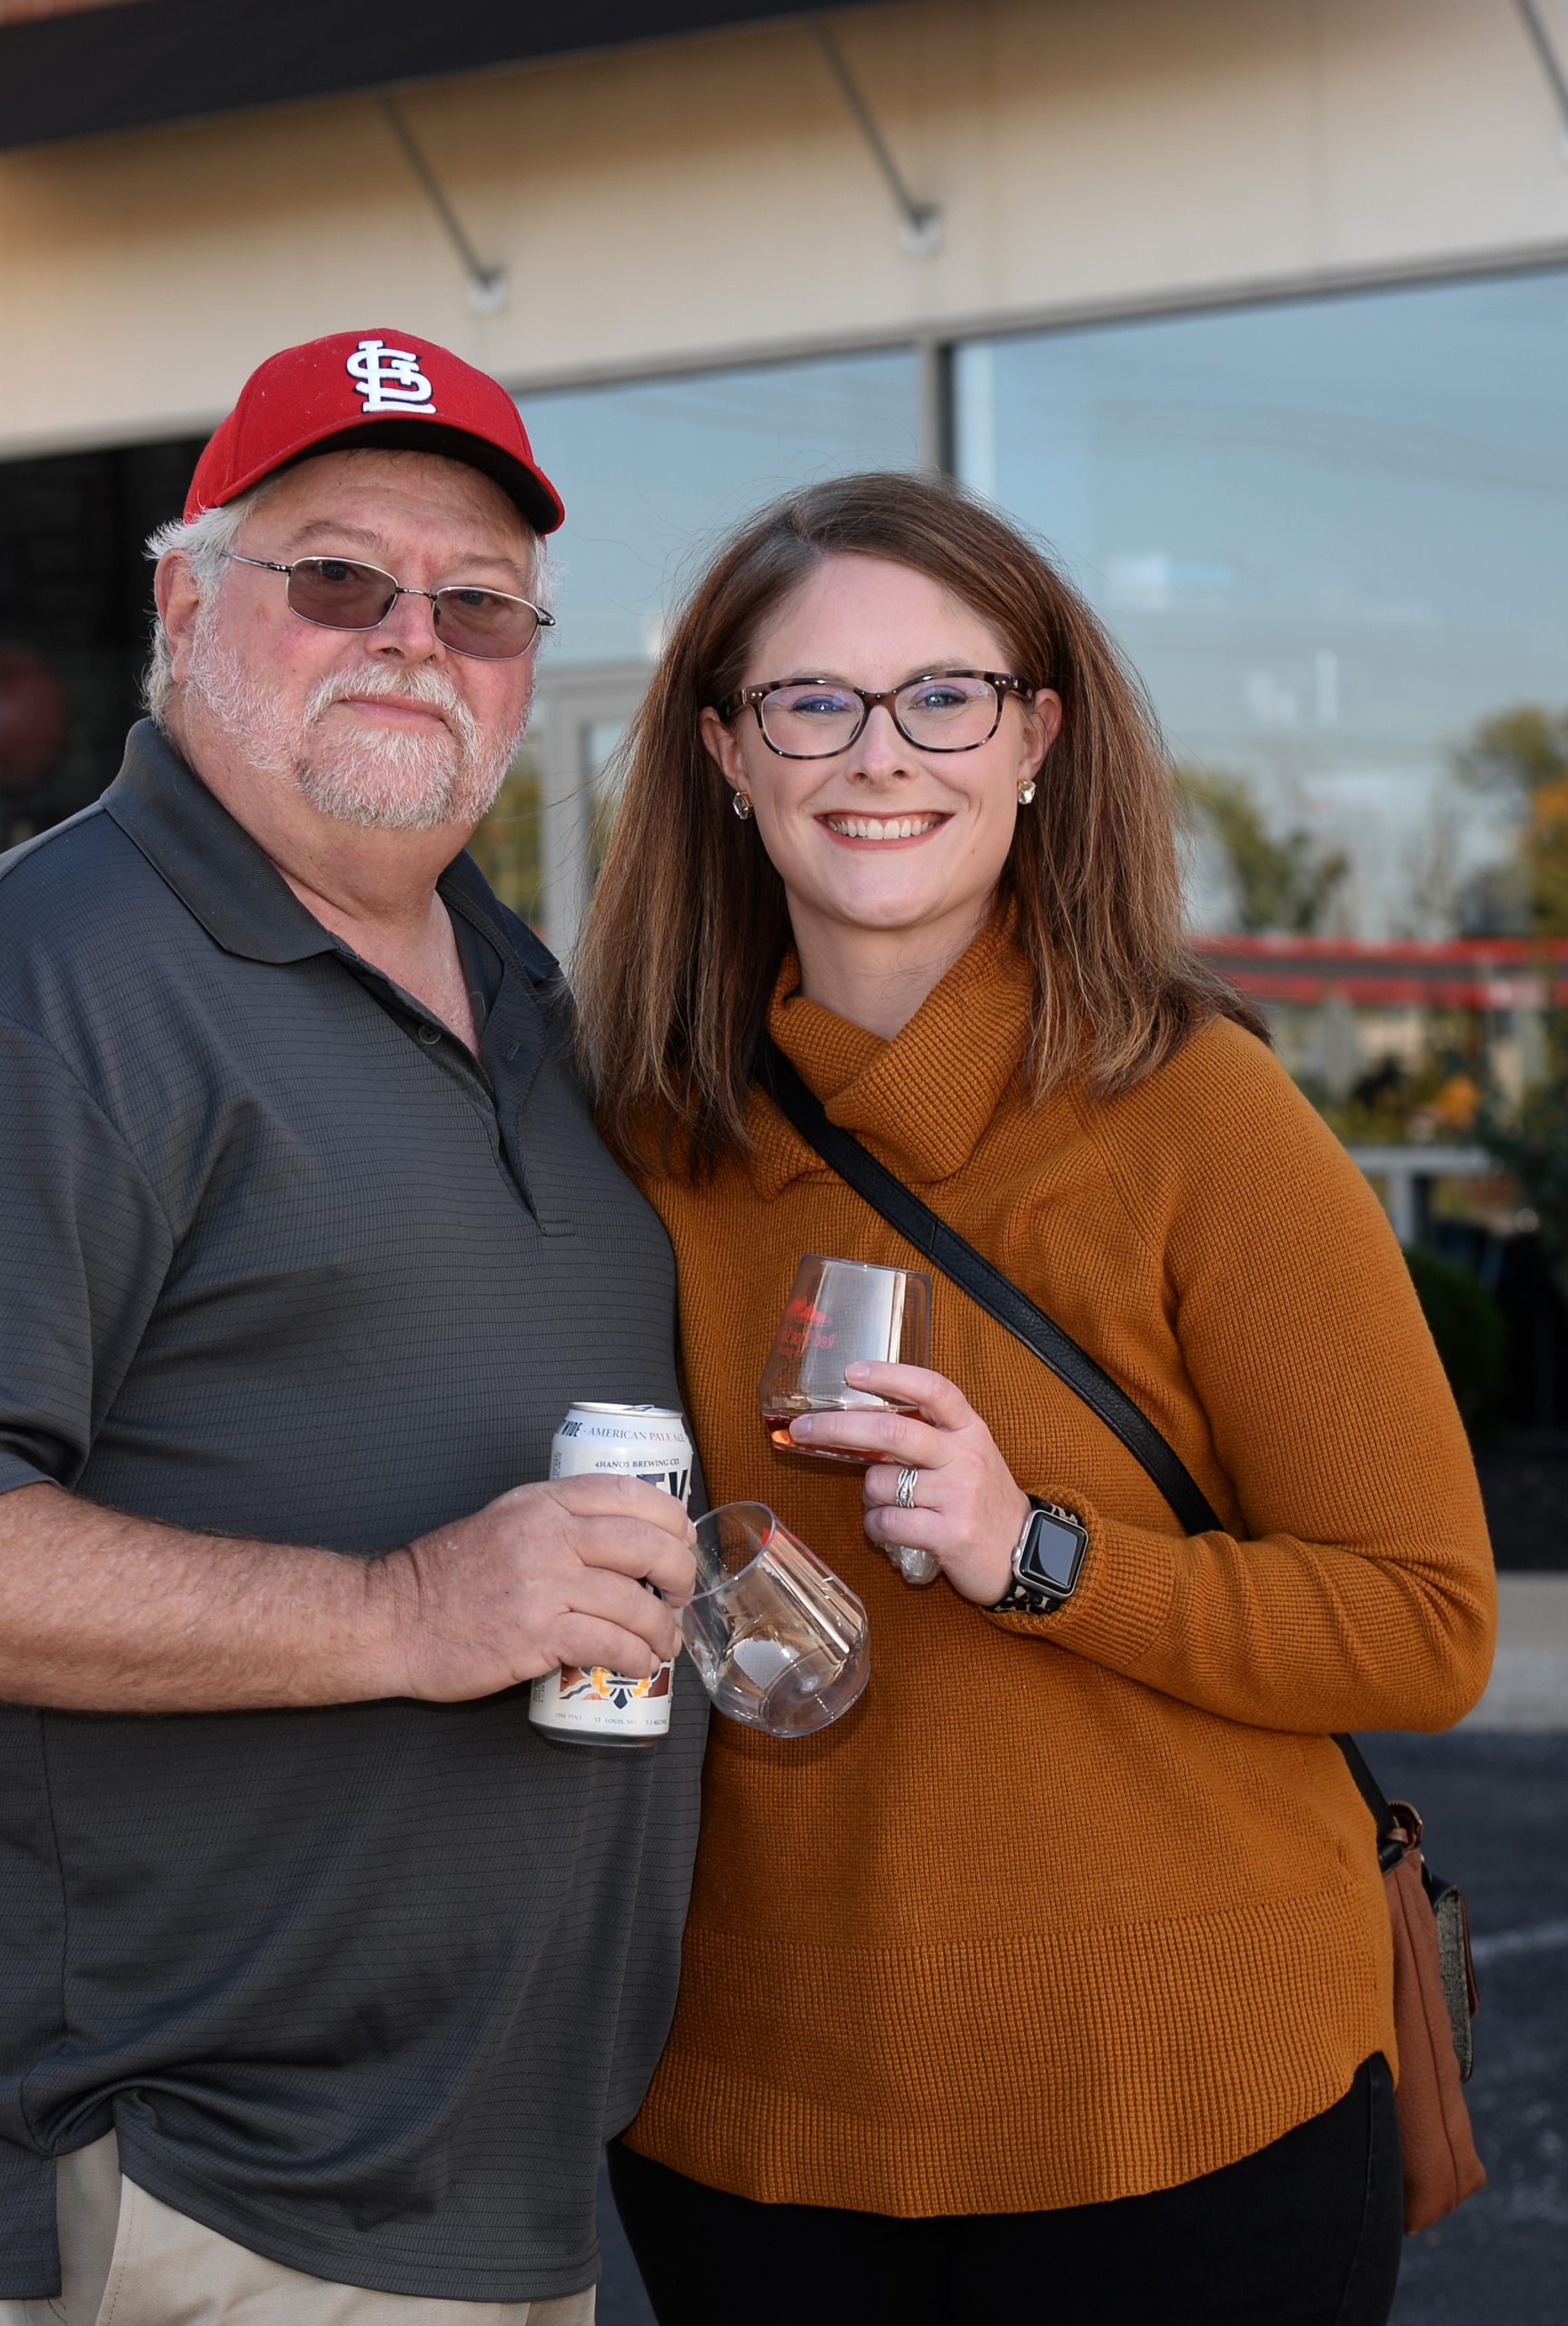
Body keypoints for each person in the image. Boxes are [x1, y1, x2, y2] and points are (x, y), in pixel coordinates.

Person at [0, 328, 706, 2326]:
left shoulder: (530, 995)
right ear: (184, 607)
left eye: (478, 603)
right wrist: (403, 1611)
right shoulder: (30, 985)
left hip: (495, 2184)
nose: (413, 638)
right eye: (339, 577)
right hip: (183, 2192)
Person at [571, 471, 1497, 2325]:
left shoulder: (1198, 1116)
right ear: (725, 756)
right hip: (749, 2127)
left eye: (946, 695)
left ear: (1036, 741)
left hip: (1178, 2123)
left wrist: (1040, 1552)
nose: (879, 753)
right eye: (811, 701)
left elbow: (1426, 1623)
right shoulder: (642, 1132)